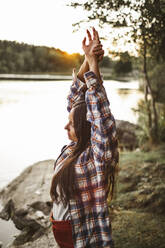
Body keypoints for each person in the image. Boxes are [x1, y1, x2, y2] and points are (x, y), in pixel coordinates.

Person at [50, 27, 119, 248]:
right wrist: (88, 59)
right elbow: (76, 97)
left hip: (81, 236)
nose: (65, 126)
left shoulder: (96, 155)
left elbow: (99, 113)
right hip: (63, 233)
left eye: (71, 124)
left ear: (85, 126)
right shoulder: (73, 147)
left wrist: (94, 64)